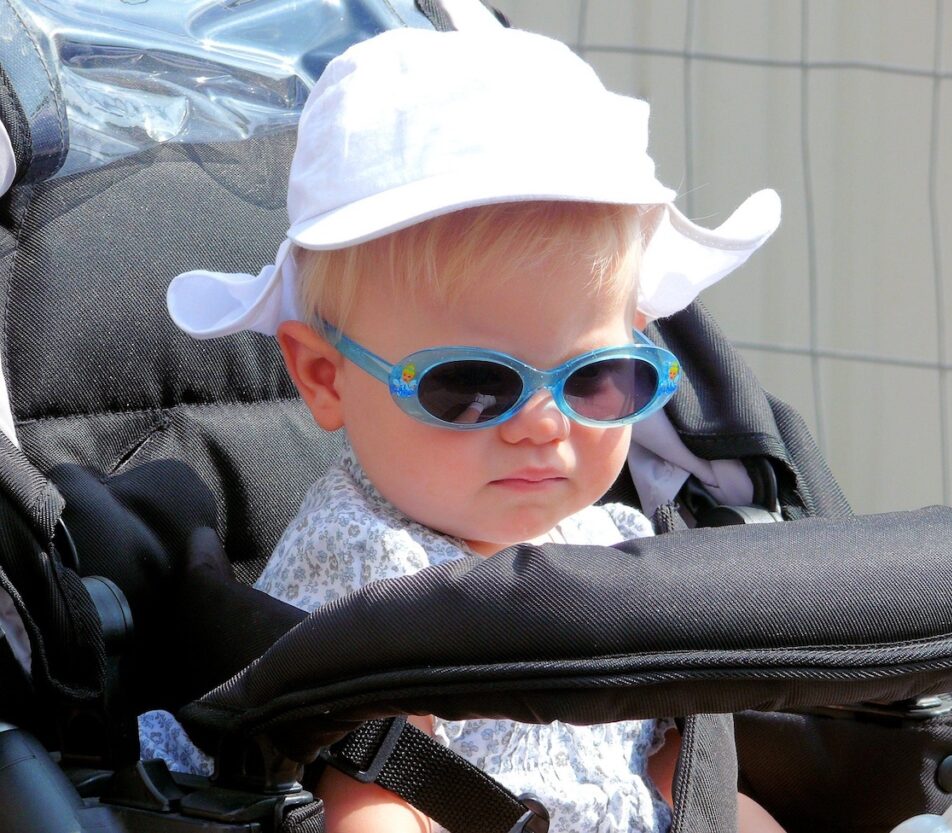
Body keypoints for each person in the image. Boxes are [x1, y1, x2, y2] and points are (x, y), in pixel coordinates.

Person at [162, 24, 783, 833]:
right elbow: (370, 794)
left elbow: (671, 748)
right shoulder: (376, 569)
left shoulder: (619, 540)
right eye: (472, 386)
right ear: (324, 376)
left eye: (595, 377)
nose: (542, 425)